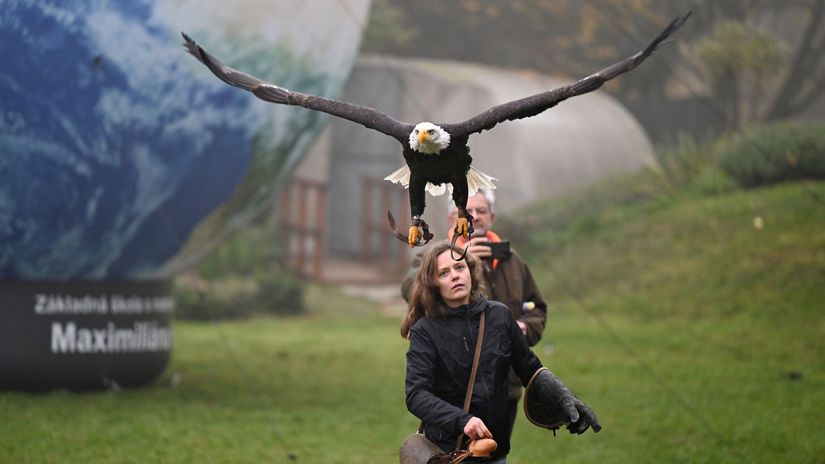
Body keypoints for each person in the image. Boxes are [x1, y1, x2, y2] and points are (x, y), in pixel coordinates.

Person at [402, 243, 599, 463]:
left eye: (459, 268)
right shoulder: (425, 330)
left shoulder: (499, 315)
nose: (455, 276)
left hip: (495, 451)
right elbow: (417, 394)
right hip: (449, 453)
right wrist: (463, 420)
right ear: (433, 283)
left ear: (471, 270)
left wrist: (563, 396)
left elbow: (530, 368)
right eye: (444, 273)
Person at [401, 189, 548, 437]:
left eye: (481, 211)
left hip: (505, 384)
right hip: (452, 391)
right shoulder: (434, 257)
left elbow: (534, 307)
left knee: (494, 449)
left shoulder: (512, 260)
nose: (475, 217)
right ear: (452, 219)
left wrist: (522, 327)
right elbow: (410, 288)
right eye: (467, 212)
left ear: (491, 216)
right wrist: (462, 260)